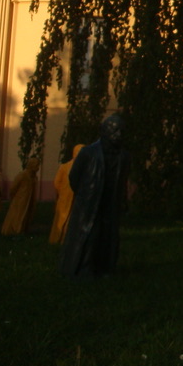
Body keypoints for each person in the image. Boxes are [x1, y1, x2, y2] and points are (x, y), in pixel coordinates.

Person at [61, 115, 130, 278]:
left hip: (110, 201)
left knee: (108, 236)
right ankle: (83, 268)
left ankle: (105, 267)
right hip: (90, 202)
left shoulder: (125, 156)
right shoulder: (88, 153)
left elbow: (122, 181)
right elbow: (74, 177)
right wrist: (86, 196)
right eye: (115, 130)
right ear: (105, 131)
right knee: (89, 235)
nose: (119, 134)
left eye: (121, 131)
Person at [49, 144, 85, 244]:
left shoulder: (85, 168)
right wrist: (63, 192)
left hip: (77, 198)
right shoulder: (64, 167)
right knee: (61, 218)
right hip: (65, 198)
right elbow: (57, 182)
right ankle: (57, 238)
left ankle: (69, 240)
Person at [0, 158, 40, 235]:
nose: (38, 167)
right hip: (20, 200)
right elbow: (13, 188)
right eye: (36, 165)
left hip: (29, 199)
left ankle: (23, 230)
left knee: (26, 215)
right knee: (18, 215)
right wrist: (15, 197)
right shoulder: (22, 175)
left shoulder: (34, 177)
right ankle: (14, 230)